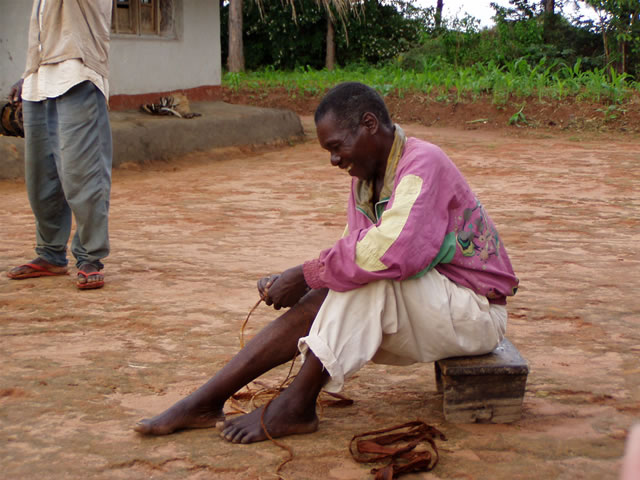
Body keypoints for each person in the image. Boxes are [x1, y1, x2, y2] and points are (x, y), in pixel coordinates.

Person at [134, 82, 519, 443]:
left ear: (369, 125)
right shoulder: (366, 180)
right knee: (343, 283)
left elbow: (389, 254)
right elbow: (356, 254)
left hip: (478, 313)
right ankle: (207, 398)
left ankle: (297, 404)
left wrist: (304, 274)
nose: (335, 160)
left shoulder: (423, 163)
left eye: (337, 146)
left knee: (371, 277)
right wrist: (307, 280)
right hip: (432, 308)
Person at [6, 0, 113, 290]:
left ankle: (90, 256)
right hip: (40, 79)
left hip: (78, 72)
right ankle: (50, 253)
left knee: (83, 172)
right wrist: (28, 74)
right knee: (42, 177)